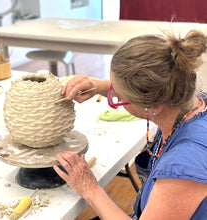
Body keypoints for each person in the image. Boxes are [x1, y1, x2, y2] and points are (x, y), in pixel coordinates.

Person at [53, 29, 207, 219]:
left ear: (153, 104)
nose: (112, 93)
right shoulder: (189, 100)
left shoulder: (183, 167)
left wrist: (91, 189)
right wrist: (98, 85)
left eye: (118, 95)